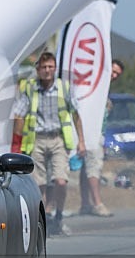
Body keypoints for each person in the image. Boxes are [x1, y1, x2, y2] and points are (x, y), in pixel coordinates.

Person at [12, 51, 86, 235]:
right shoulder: (30, 88)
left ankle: (59, 216)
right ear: (38, 69)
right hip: (36, 140)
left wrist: (81, 142)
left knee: (61, 180)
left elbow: (76, 114)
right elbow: (19, 115)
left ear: (55, 69)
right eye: (43, 67)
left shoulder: (64, 88)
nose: (47, 71)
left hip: (58, 139)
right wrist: (17, 143)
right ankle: (43, 220)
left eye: (50, 67)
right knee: (39, 184)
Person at [79, 58, 124, 217]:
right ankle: (97, 203)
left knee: (88, 169)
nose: (114, 75)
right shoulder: (94, 88)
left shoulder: (106, 92)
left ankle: (86, 203)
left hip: (99, 133)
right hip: (89, 133)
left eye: (117, 74)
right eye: (112, 71)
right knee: (93, 168)